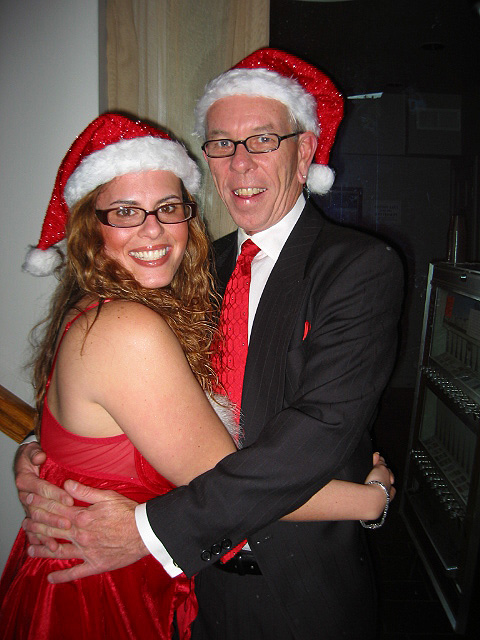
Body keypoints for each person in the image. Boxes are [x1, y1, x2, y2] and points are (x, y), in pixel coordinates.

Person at [13, 48, 403, 640]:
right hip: (191, 588)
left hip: (297, 592)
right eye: (222, 144)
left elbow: (315, 433)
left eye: (262, 140)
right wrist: (43, 449)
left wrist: (146, 529)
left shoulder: (358, 268)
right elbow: (128, 399)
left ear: (304, 154)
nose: (240, 163)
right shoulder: (190, 269)